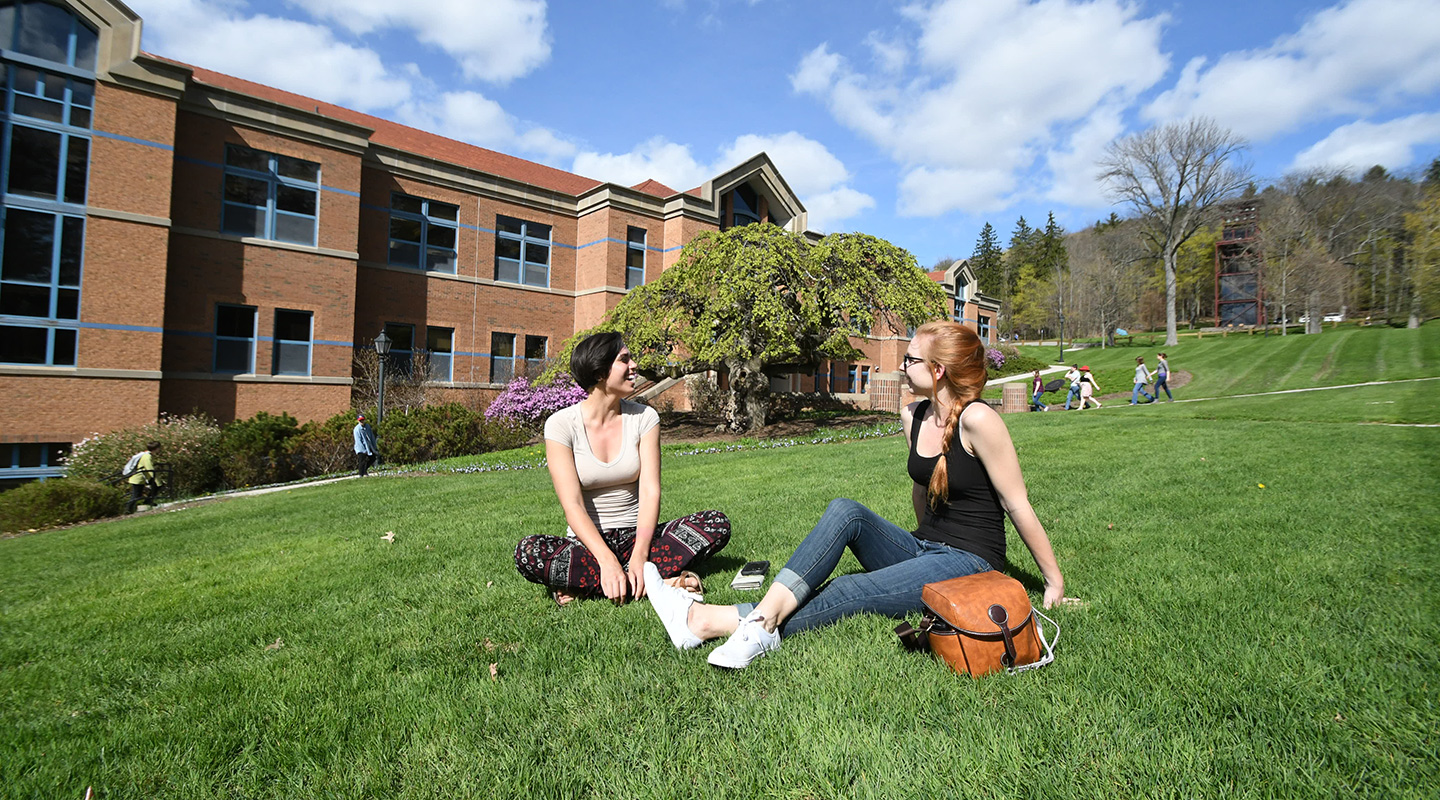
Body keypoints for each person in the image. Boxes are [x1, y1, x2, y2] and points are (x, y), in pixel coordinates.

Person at [644, 320, 1064, 669]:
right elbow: (922, 488)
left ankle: (714, 621)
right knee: (847, 511)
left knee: (850, 589)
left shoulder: (978, 419)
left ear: (938, 370)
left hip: (970, 563)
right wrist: (913, 548)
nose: (901, 365)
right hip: (925, 548)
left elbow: (1016, 504)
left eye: (911, 359)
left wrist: (1053, 582)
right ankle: (733, 621)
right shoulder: (914, 414)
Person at [514, 332, 730, 606]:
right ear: (600, 370)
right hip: (587, 545)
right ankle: (657, 582)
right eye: (624, 359)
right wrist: (606, 560)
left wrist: (640, 553)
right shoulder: (561, 425)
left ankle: (591, 585)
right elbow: (573, 506)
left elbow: (650, 491)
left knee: (715, 523)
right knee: (528, 551)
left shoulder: (644, 418)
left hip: (637, 536)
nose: (634, 365)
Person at [124, 441, 163, 513]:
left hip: (140, 478)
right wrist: (156, 480)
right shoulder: (147, 457)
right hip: (138, 479)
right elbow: (149, 468)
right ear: (156, 448)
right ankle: (128, 509)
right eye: (159, 448)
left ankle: (147, 501)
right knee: (136, 495)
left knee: (137, 494)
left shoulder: (147, 455)